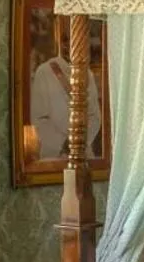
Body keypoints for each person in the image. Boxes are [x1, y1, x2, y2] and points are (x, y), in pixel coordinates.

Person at [28, 15, 102, 161]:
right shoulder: (44, 72)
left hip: (83, 153)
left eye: (73, 39)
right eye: (65, 40)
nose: (69, 44)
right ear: (60, 42)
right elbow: (39, 119)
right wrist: (63, 143)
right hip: (54, 156)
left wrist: (80, 144)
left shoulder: (88, 74)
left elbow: (95, 117)